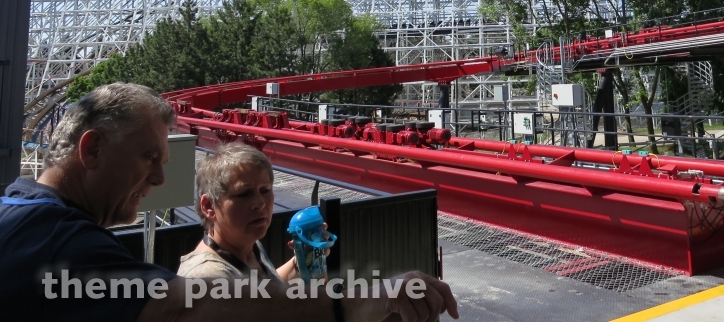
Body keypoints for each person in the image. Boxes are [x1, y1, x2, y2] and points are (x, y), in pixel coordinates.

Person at [0, 82, 458, 322]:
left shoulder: (20, 213)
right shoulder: (57, 241)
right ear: (92, 149)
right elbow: (184, 307)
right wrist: (358, 303)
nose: (160, 177)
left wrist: (298, 265)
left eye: (266, 192)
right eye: (149, 159)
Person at [178, 143, 298, 282]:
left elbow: (264, 291)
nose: (260, 203)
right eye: (244, 194)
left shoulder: (247, 245)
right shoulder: (206, 277)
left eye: (265, 190)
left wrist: (301, 262)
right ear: (209, 206)